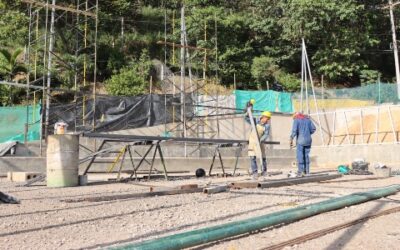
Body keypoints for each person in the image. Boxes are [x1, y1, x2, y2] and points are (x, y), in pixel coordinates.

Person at [245, 110, 271, 180]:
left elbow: (266, 134)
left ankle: (264, 171)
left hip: (260, 142)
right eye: (267, 118)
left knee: (263, 157)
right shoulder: (255, 121)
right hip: (252, 142)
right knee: (252, 157)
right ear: (263, 117)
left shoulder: (267, 126)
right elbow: (247, 119)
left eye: (268, 119)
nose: (267, 120)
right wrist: (247, 113)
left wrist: (261, 140)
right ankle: (255, 173)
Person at [290, 112, 316, 176]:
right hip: (308, 140)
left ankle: (300, 171)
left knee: (300, 156)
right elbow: (313, 128)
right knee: (306, 155)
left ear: (296, 116)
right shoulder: (308, 120)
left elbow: (294, 131)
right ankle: (307, 171)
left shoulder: (296, 120)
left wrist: (291, 138)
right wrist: (307, 133)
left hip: (300, 140)